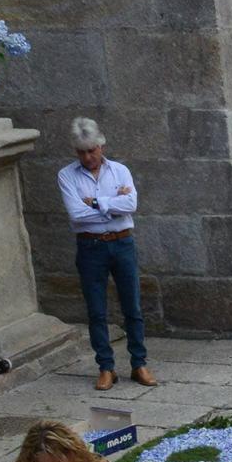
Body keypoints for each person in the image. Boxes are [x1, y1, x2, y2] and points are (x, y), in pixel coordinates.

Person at [59, 117, 154, 392]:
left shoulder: (120, 171)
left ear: (101, 145)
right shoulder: (67, 175)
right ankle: (106, 367)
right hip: (90, 246)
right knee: (96, 310)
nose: (87, 157)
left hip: (122, 242)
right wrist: (114, 204)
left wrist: (98, 202)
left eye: (92, 150)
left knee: (132, 306)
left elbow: (131, 204)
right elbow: (76, 215)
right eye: (81, 152)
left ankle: (139, 363)